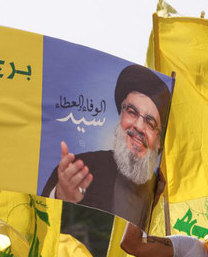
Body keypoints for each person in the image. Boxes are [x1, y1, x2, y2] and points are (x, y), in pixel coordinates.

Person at [42, 64, 171, 227]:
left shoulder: (162, 192)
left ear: (159, 142)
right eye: (132, 112)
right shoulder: (79, 171)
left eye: (150, 122)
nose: (138, 126)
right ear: (121, 116)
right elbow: (38, 224)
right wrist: (61, 196)